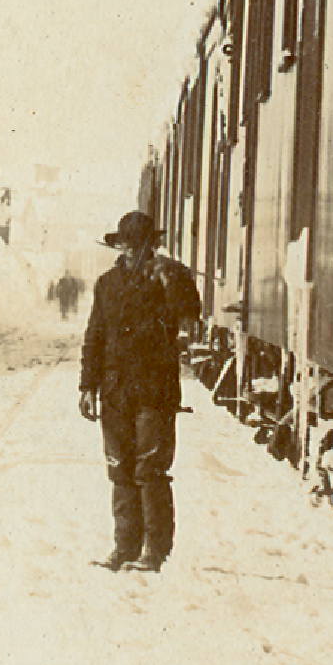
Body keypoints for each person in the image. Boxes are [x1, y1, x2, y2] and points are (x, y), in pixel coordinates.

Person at [79, 209, 202, 570]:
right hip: (115, 391)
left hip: (154, 390)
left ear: (153, 246)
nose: (134, 253)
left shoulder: (171, 275)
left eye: (141, 246)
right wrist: (88, 385)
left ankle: (155, 551)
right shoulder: (107, 283)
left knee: (150, 471)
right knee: (119, 469)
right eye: (128, 246)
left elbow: (191, 313)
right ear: (119, 246)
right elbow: (95, 336)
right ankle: (124, 548)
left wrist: (171, 281)